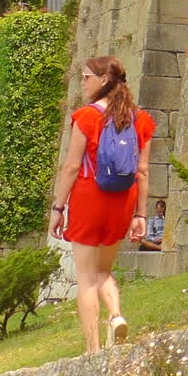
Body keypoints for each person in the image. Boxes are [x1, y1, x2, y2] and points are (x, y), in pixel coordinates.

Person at [48, 56, 156, 354]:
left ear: (104, 80)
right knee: (104, 272)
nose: (82, 82)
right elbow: (143, 171)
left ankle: (93, 349)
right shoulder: (142, 120)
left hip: (88, 198)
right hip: (123, 200)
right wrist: (140, 215)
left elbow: (70, 167)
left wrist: (58, 209)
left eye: (86, 77)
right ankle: (116, 315)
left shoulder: (86, 117)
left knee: (85, 279)